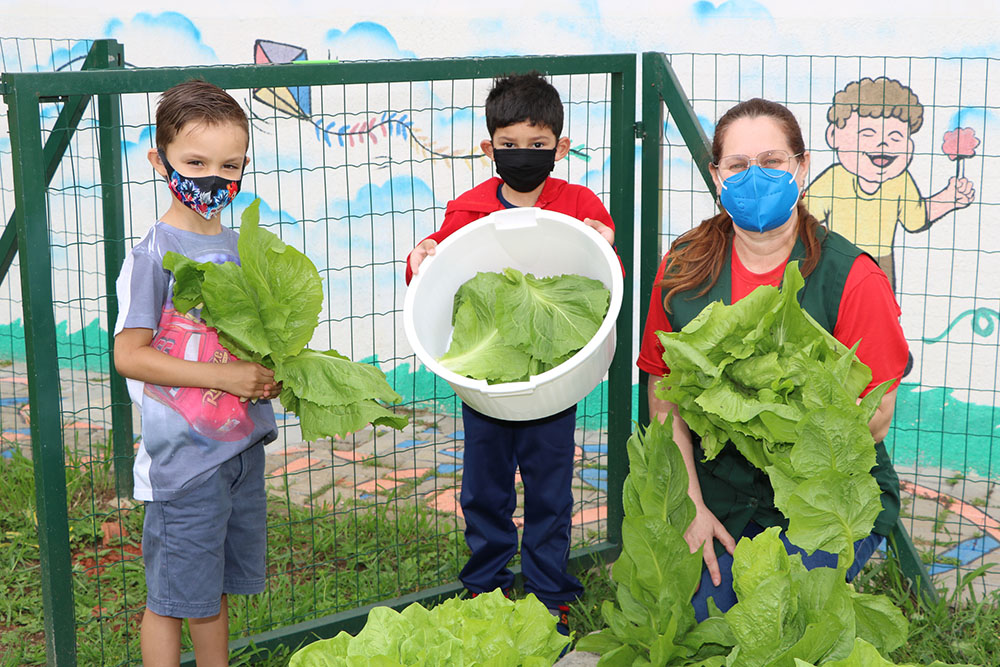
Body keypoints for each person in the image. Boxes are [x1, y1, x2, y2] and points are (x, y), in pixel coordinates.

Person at [637, 98, 909, 622]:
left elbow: (875, 416)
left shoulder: (853, 277)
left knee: (775, 617)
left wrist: (769, 423)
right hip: (718, 488)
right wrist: (691, 504)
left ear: (801, 168)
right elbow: (664, 393)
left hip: (827, 491)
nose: (755, 177)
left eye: (772, 161)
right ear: (717, 176)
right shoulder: (683, 268)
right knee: (698, 622)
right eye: (738, 165)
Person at [405, 72, 615, 635]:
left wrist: (603, 240)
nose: (524, 154)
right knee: (484, 490)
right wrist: (420, 256)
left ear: (560, 147)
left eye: (537, 144)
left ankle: (550, 592)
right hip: (491, 380)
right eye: (510, 144)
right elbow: (436, 272)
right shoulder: (468, 210)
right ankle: (484, 586)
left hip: (552, 378)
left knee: (550, 490)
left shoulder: (579, 204)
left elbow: (602, 270)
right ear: (489, 147)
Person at [113, 80, 280, 667]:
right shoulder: (152, 253)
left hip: (240, 452)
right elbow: (129, 355)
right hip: (183, 464)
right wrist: (228, 378)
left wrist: (265, 372)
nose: (213, 178)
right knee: (171, 599)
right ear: (159, 161)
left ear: (244, 166)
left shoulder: (241, 246)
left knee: (211, 594)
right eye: (195, 163)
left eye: (229, 166)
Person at [803, 76, 975, 291]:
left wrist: (948, 199)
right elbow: (803, 217)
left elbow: (915, 219)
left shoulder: (901, 181)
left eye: (895, 137)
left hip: (881, 263)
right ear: (834, 136)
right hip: (837, 260)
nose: (883, 143)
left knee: (878, 309)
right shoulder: (834, 179)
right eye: (868, 133)